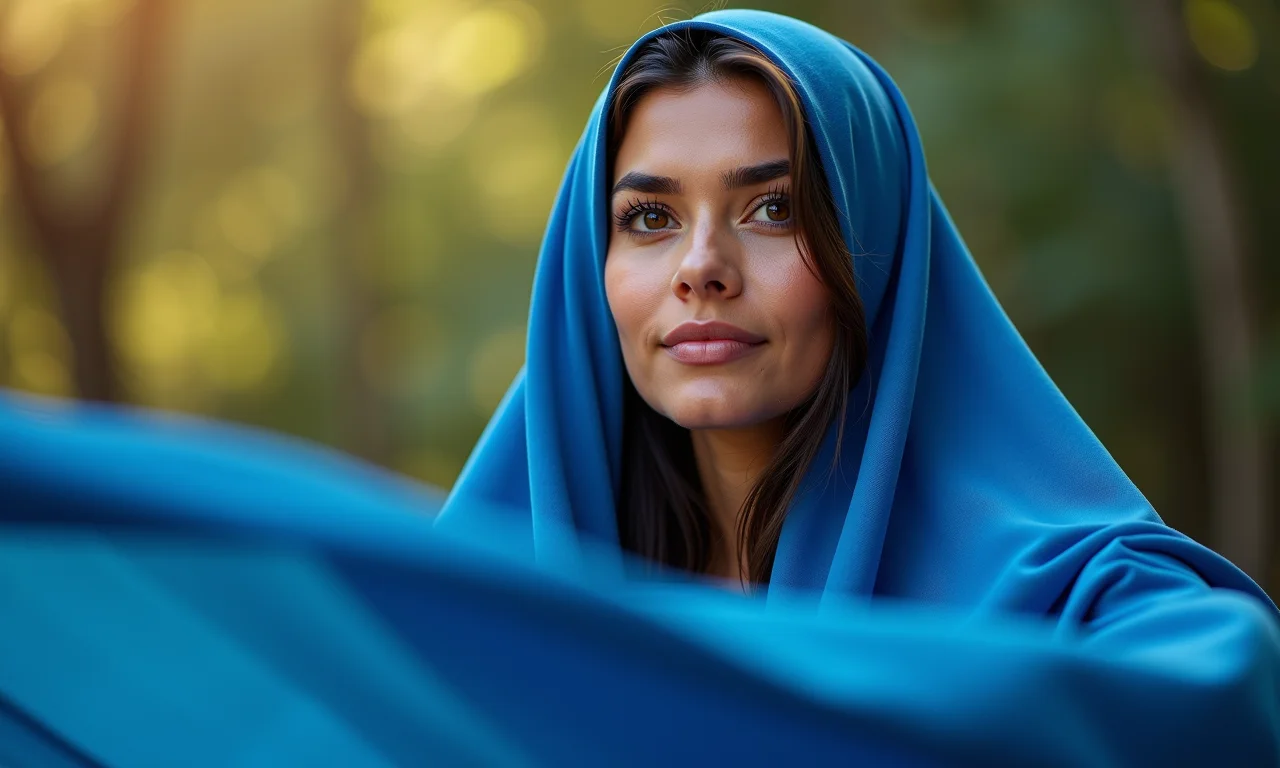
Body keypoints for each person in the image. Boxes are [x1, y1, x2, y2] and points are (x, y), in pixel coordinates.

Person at [1, 9, 1277, 766]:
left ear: (871, 252)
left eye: (772, 208)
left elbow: (1213, 702)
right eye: (648, 218)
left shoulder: (1087, 595)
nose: (702, 271)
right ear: (587, 268)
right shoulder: (475, 604)